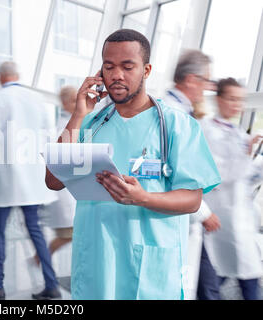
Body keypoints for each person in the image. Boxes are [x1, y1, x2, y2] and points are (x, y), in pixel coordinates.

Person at [45, 29, 221, 300]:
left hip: (149, 270)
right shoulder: (90, 124)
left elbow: (192, 200)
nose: (117, 75)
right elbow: (53, 181)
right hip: (96, 265)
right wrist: (79, 114)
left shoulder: (176, 125)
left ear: (146, 70)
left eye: (128, 66)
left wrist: (143, 198)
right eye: (109, 66)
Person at [0, 61, 60, 300]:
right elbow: (48, 136)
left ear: (1, 77)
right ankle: (52, 285)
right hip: (32, 178)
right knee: (36, 231)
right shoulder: (35, 99)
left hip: (8, 177)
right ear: (17, 74)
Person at [163, 49, 221, 299]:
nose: (206, 88)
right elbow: (176, 173)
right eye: (206, 81)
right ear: (191, 80)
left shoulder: (175, 111)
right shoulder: (175, 115)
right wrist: (204, 212)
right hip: (178, 215)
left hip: (181, 216)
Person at [198, 78, 262, 300]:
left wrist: (257, 163)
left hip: (240, 220)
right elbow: (219, 176)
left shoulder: (236, 132)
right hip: (219, 219)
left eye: (240, 100)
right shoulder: (207, 130)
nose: (237, 105)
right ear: (219, 99)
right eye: (232, 99)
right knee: (214, 282)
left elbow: (246, 176)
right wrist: (246, 154)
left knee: (248, 279)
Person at [35, 86, 77, 265]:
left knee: (71, 235)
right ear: (66, 103)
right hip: (65, 194)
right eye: (75, 100)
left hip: (71, 194)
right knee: (69, 235)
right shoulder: (64, 127)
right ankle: (41, 259)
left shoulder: (70, 123)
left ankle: (41, 259)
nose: (78, 104)